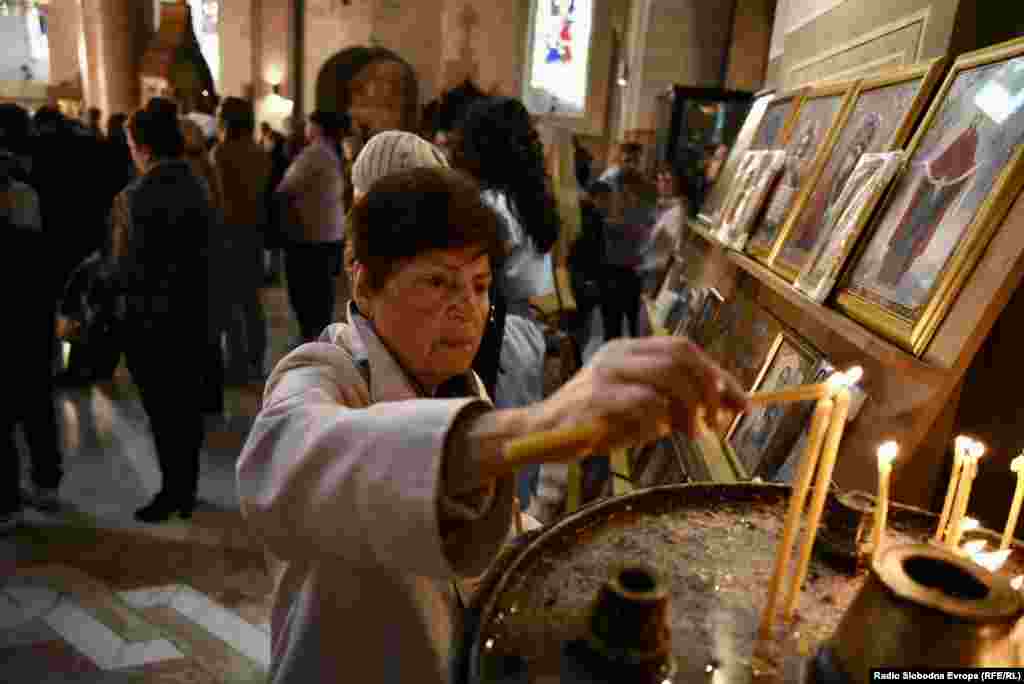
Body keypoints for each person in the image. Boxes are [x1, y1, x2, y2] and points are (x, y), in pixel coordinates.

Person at [236, 165, 749, 684]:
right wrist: (539, 425)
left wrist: (589, 556)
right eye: (438, 282)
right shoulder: (324, 374)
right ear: (365, 284)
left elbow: (494, 534)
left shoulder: (463, 387)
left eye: (479, 286)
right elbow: (282, 466)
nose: (466, 309)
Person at [102, 97, 214, 523]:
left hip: (150, 320)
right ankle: (185, 487)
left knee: (163, 411)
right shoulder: (197, 183)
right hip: (194, 312)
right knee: (186, 409)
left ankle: (173, 491)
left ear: (142, 147)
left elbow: (122, 267)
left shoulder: (135, 197)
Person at [1, 150, 63, 531]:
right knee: (37, 405)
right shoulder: (28, 203)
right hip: (33, 322)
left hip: (16, 323)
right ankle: (45, 484)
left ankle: (7, 503)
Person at [275, 109, 350, 342]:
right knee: (322, 293)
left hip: (309, 235)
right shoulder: (332, 152)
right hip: (330, 233)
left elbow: (286, 187)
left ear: (316, 128)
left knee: (306, 293)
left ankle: (311, 340)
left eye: (308, 124)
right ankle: (319, 338)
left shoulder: (314, 154)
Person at [211, 97, 272, 383]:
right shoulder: (259, 151)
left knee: (230, 305)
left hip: (229, 233)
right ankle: (256, 363)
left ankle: (236, 366)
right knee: (252, 303)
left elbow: (221, 199)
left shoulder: (222, 152)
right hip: (254, 231)